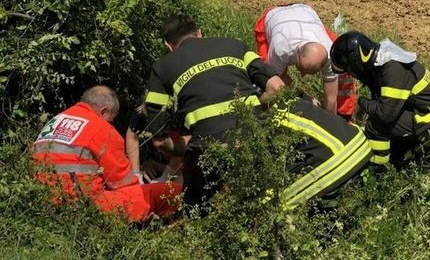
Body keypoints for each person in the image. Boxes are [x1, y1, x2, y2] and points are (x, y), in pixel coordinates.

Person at [143, 15, 285, 206]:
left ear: (168, 46)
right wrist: (257, 113)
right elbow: (277, 87)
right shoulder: (235, 45)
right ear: (200, 33)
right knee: (265, 200)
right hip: (254, 135)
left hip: (207, 149)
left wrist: (181, 150)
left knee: (199, 206)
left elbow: (159, 141)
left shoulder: (161, 67)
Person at [32, 85, 181, 222]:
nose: (111, 124)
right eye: (112, 119)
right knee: (169, 191)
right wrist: (141, 181)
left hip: (43, 198)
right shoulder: (102, 128)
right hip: (86, 205)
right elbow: (124, 183)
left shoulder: (55, 120)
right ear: (104, 112)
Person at [330, 31, 430, 163]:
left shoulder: (392, 69)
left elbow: (385, 114)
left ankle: (377, 168)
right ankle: (399, 155)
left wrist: (362, 102)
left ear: (356, 63)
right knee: (386, 124)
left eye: (350, 71)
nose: (352, 75)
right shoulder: (380, 62)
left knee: (377, 123)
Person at [272, 98, 386, 209]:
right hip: (359, 145)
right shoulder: (294, 101)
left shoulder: (267, 122)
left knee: (278, 204)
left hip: (336, 162)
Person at [254, 3, 357, 119]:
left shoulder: (330, 53)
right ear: (297, 52)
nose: (302, 75)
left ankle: (345, 117)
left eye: (310, 72)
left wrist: (331, 124)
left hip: (306, 15)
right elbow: (276, 80)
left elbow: (331, 99)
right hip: (274, 16)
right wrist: (305, 97)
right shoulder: (281, 49)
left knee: (343, 70)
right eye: (301, 68)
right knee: (265, 76)